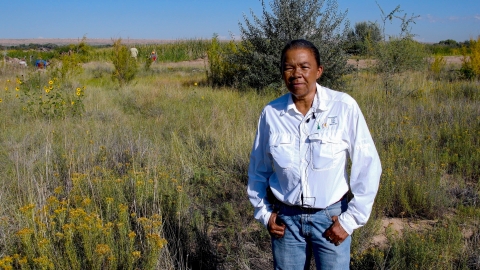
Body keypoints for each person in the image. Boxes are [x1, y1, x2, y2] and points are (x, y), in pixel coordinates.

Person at [247, 39, 382, 269]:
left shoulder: (343, 107)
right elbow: (258, 171)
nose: (296, 74)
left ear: (319, 70)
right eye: (289, 67)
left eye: (304, 66)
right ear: (282, 72)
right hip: (285, 221)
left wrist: (350, 221)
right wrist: (265, 214)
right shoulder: (271, 114)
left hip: (331, 219)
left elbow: (368, 165)